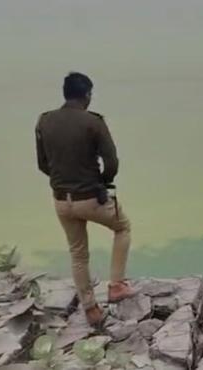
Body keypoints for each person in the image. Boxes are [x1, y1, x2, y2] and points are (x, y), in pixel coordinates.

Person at [35, 72, 135, 326]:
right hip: (91, 198)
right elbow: (112, 162)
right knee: (122, 227)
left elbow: (43, 164)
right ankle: (116, 285)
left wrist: (64, 180)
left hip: (61, 201)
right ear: (87, 95)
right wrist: (101, 182)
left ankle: (91, 309)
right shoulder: (94, 122)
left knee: (78, 254)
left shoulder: (44, 121)